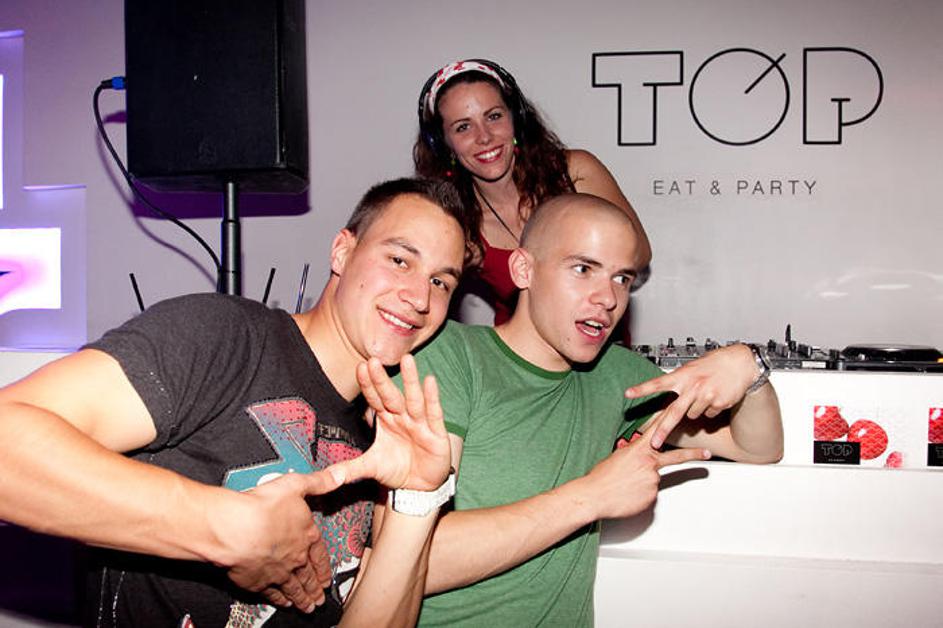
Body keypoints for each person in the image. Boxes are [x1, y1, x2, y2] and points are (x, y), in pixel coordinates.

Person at [0, 178, 481, 627]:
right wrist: (225, 528)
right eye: (399, 260)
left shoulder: (378, 443)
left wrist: (418, 498)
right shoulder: (225, 337)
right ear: (342, 250)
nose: (420, 297)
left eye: (441, 282)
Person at [360, 193, 784, 626]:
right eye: (583, 269)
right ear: (523, 270)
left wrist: (750, 369)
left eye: (622, 278)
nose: (608, 298)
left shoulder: (617, 374)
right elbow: (407, 563)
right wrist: (591, 496)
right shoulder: (448, 357)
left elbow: (758, 448)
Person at [414, 58, 652, 325]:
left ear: (516, 118)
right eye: (463, 127)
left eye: (494, 116)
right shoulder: (455, 219)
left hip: (599, 337)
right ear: (442, 143)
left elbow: (640, 252)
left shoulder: (574, 172)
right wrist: (457, 258)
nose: (484, 137)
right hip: (517, 350)